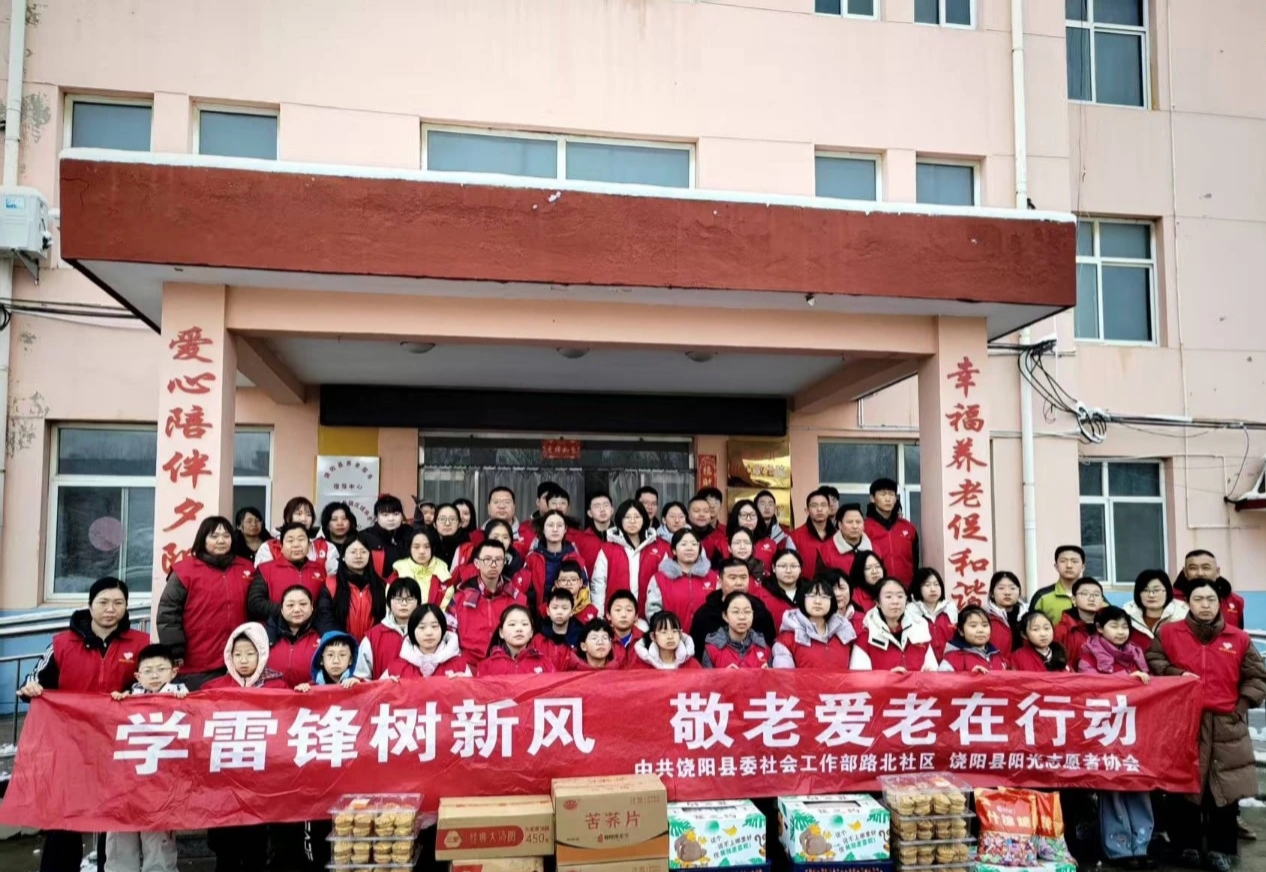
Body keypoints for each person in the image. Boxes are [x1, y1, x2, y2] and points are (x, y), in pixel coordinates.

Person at [1147, 579, 1266, 872]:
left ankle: (1220, 850)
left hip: (1226, 724)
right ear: (1188, 602)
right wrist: (1177, 673)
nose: (1205, 605)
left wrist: (1240, 709)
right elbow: (1153, 661)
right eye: (1198, 599)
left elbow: (1257, 676)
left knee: (1223, 789)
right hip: (1183, 721)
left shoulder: (1238, 638)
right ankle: (1186, 846)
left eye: (1211, 600)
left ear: (1219, 604)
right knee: (1183, 785)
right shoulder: (1170, 633)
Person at [201, 623, 285, 872]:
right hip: (224, 784)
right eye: (237, 654)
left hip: (261, 782)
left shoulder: (279, 688)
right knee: (225, 853)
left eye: (250, 653)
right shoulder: (213, 689)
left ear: (262, 653)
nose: (244, 660)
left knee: (255, 850)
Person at [1076, 607, 1154, 869]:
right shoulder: (1088, 652)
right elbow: (1088, 682)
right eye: (1114, 626)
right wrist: (1126, 680)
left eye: (1124, 626)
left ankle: (1141, 845)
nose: (1121, 632)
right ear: (1099, 628)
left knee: (1139, 782)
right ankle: (1118, 848)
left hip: (1136, 726)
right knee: (1113, 787)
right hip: (1105, 727)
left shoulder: (1136, 652)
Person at [100, 643, 186, 872]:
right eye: (148, 671)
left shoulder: (182, 695)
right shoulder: (128, 698)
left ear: (174, 672)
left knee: (158, 845)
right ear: (138, 675)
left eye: (161, 669)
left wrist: (185, 701)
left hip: (161, 787)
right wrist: (118, 702)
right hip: (126, 785)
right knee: (120, 842)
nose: (155, 676)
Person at [157, 515, 255, 689]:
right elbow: (168, 612)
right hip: (197, 664)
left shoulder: (247, 568)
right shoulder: (184, 571)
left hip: (238, 662)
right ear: (202, 539)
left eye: (226, 536)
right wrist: (174, 649)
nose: (221, 541)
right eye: (214, 536)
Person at [447, 540, 529, 665]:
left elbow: (527, 636)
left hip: (508, 666)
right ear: (477, 563)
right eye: (487, 559)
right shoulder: (460, 599)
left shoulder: (518, 599)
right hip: (469, 666)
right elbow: (449, 636)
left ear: (504, 562)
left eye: (498, 560)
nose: (493, 564)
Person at [247, 522, 335, 630]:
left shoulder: (320, 570)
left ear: (308, 545)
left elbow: (324, 605)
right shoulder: (265, 569)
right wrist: (288, 612)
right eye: (290, 540)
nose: (296, 544)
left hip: (312, 632)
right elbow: (255, 603)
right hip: (275, 632)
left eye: (301, 539)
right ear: (281, 546)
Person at [688, 559, 777, 660]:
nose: (739, 583)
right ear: (720, 581)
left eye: (743, 577)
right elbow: (697, 655)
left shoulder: (760, 611)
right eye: (733, 578)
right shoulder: (705, 615)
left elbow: (769, 650)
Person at [592, 500, 667, 616]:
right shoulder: (608, 548)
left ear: (644, 519)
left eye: (637, 517)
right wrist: (599, 617)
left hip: (648, 618)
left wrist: (659, 618)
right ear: (620, 520)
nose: (632, 521)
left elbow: (665, 585)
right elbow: (598, 584)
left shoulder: (659, 548)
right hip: (615, 617)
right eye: (627, 517)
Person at [849, 577, 938, 672]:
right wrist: (889, 678)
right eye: (888, 597)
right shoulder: (865, 636)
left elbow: (934, 669)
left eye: (900, 596)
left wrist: (928, 673)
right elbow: (859, 677)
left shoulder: (919, 628)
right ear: (877, 602)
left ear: (906, 600)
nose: (895, 602)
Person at [644, 529, 719, 633]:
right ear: (674, 550)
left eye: (694, 544)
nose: (689, 548)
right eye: (683, 544)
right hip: (672, 638)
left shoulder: (713, 577)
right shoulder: (660, 579)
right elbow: (653, 611)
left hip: (707, 638)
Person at [772, 578, 855, 670]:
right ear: (803, 599)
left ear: (832, 602)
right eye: (812, 596)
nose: (818, 601)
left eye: (824, 597)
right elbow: (784, 677)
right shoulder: (787, 640)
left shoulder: (844, 634)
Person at [324, 533, 388, 643]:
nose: (358, 556)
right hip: (341, 646)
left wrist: (371, 641)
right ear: (343, 556)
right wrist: (343, 641)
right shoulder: (331, 584)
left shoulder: (382, 586)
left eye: (363, 552)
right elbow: (325, 618)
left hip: (373, 644)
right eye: (353, 552)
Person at [522, 510, 588, 615]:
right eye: (550, 525)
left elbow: (585, 591)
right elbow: (523, 592)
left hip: (571, 616)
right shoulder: (532, 558)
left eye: (559, 525)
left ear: (565, 529)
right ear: (543, 529)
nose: (555, 529)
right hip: (539, 617)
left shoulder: (576, 558)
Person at [353, 578, 420, 680]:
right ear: (389, 602)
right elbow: (362, 679)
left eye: (410, 599)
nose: (404, 603)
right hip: (383, 690)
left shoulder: (428, 634)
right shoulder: (373, 637)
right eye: (398, 599)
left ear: (418, 603)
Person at [382, 604, 472, 680]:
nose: (429, 633)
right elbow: (377, 693)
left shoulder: (460, 666)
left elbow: (473, 694)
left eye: (434, 626)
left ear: (443, 629)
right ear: (412, 630)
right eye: (422, 627)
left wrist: (466, 684)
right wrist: (386, 687)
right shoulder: (395, 669)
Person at [256, 496, 339, 575]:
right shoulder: (269, 547)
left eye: (308, 514)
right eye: (299, 514)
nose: (304, 519)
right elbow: (263, 575)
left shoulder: (326, 547)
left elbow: (333, 577)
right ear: (288, 517)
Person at [864, 477, 919, 585]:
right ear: (872, 498)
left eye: (891, 494)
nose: (888, 499)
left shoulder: (908, 527)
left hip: (905, 588)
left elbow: (915, 561)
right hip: (875, 588)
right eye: (883, 494)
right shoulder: (864, 528)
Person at [266, 586, 323, 688]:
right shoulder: (266, 636)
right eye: (290, 605)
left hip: (311, 694)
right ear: (282, 609)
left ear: (312, 607)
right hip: (274, 695)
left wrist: (310, 685)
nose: (296, 610)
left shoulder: (322, 635)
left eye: (303, 604)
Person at [1175, 549, 1246, 630]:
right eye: (1193, 568)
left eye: (1206, 568)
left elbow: (1239, 634)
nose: (1200, 573)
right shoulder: (1172, 599)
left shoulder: (1235, 601)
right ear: (1185, 572)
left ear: (1217, 571)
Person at [477, 604, 554, 676]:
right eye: (512, 624)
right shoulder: (487, 666)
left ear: (531, 632)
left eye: (524, 624)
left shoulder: (544, 663)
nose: (519, 629)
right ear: (501, 632)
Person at [702, 591, 771, 669]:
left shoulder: (764, 648)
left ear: (753, 614)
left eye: (747, 612)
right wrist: (723, 675)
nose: (742, 617)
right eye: (735, 612)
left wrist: (766, 675)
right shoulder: (712, 650)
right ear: (725, 616)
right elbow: (707, 677)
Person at [1124, 569, 1188, 653]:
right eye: (1145, 590)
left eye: (1156, 590)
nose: (1151, 595)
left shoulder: (1184, 616)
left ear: (1167, 591)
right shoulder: (1126, 616)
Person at [392, 527, 454, 609]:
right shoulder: (398, 572)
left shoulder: (443, 573)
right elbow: (391, 606)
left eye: (427, 546)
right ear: (409, 548)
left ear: (432, 548)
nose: (422, 551)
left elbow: (447, 608)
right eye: (416, 547)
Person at [938, 606, 1009, 672]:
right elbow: (942, 679)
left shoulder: (997, 655)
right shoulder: (953, 659)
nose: (980, 630)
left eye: (984, 625)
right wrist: (970, 677)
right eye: (973, 626)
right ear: (961, 631)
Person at [711, 500, 776, 571]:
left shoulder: (771, 544)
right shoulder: (721, 544)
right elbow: (715, 572)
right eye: (744, 515)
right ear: (736, 517)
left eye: (753, 515)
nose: (749, 519)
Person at [905, 566, 954, 659]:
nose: (933, 589)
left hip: (950, 663)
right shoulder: (910, 612)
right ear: (917, 587)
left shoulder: (950, 609)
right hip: (924, 664)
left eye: (936, 584)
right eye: (927, 585)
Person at [1029, 545, 1085, 626]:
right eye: (1063, 561)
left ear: (1082, 567)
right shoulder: (1042, 597)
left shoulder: (1094, 596)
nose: (1069, 565)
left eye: (1074, 561)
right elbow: (1031, 627)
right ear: (1056, 566)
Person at [1054, 577, 1103, 666]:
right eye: (1085, 594)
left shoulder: (1108, 627)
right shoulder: (1062, 630)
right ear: (1074, 600)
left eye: (1096, 595)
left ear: (1102, 600)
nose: (1091, 598)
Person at [628, 610, 700, 670]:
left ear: (680, 634)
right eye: (664, 632)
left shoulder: (692, 665)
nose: (670, 636)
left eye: (674, 631)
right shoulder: (641, 666)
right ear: (653, 636)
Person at [362, 494, 415, 573]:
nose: (391, 519)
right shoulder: (365, 536)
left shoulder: (411, 533)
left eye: (396, 514)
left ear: (402, 515)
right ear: (376, 516)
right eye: (385, 515)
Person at [534, 589, 585, 671]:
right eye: (555, 608)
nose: (559, 612)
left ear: (572, 611)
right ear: (548, 611)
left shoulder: (580, 639)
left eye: (564, 608)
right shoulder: (538, 640)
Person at [752, 547, 801, 631]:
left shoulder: (809, 593)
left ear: (800, 569)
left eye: (793, 566)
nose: (788, 571)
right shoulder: (760, 595)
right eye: (783, 566)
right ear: (774, 568)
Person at [790, 488, 835, 578]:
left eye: (823, 505)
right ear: (807, 511)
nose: (819, 509)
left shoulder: (838, 536)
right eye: (814, 506)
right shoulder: (795, 536)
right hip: (804, 584)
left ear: (830, 509)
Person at [819, 503, 873, 576]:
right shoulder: (825, 551)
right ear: (840, 525)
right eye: (849, 522)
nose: (855, 526)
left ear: (863, 525)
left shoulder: (874, 549)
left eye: (858, 522)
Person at [296, 631, 361, 691]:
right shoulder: (312, 687)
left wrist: (359, 686)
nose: (336, 661)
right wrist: (302, 689)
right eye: (330, 655)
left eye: (342, 655)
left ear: (350, 660)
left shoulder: (356, 682)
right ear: (321, 660)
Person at [984, 570, 1026, 655]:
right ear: (992, 593)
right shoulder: (984, 618)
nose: (1007, 593)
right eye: (1001, 588)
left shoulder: (1028, 616)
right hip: (996, 663)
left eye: (1012, 588)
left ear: (1019, 592)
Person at [576, 491, 615, 572]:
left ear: (612, 510)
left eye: (606, 505)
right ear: (589, 513)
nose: (602, 509)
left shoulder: (621, 536)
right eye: (597, 506)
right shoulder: (581, 539)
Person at [822, 568, 864, 634]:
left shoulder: (863, 620)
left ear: (850, 590)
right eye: (832, 589)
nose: (837, 594)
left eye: (842, 588)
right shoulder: (817, 620)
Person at [606, 590, 642, 665]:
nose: (623, 615)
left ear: (636, 616)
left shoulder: (645, 640)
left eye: (629, 610)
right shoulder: (603, 640)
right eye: (618, 610)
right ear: (608, 615)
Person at [755, 489, 796, 553]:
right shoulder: (749, 531)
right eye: (762, 504)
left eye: (770, 504)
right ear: (755, 508)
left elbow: (791, 556)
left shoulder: (785, 534)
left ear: (775, 508)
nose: (767, 507)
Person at [848, 550, 887, 616]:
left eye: (877, 566)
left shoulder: (891, 588)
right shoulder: (853, 595)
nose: (874, 571)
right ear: (860, 572)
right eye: (868, 568)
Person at [430, 503, 468, 569]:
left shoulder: (467, 548)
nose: (447, 523)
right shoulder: (427, 545)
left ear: (459, 523)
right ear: (434, 524)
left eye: (452, 519)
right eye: (442, 519)